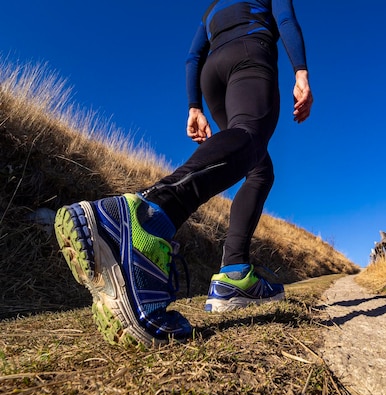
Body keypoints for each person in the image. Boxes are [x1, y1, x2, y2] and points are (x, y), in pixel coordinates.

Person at [54, 0, 313, 347]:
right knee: (250, 137)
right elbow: (285, 19)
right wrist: (301, 71)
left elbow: (193, 57)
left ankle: (234, 274)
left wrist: (194, 105)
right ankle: (146, 214)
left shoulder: (211, 9)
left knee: (259, 168)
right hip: (251, 54)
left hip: (212, 76)